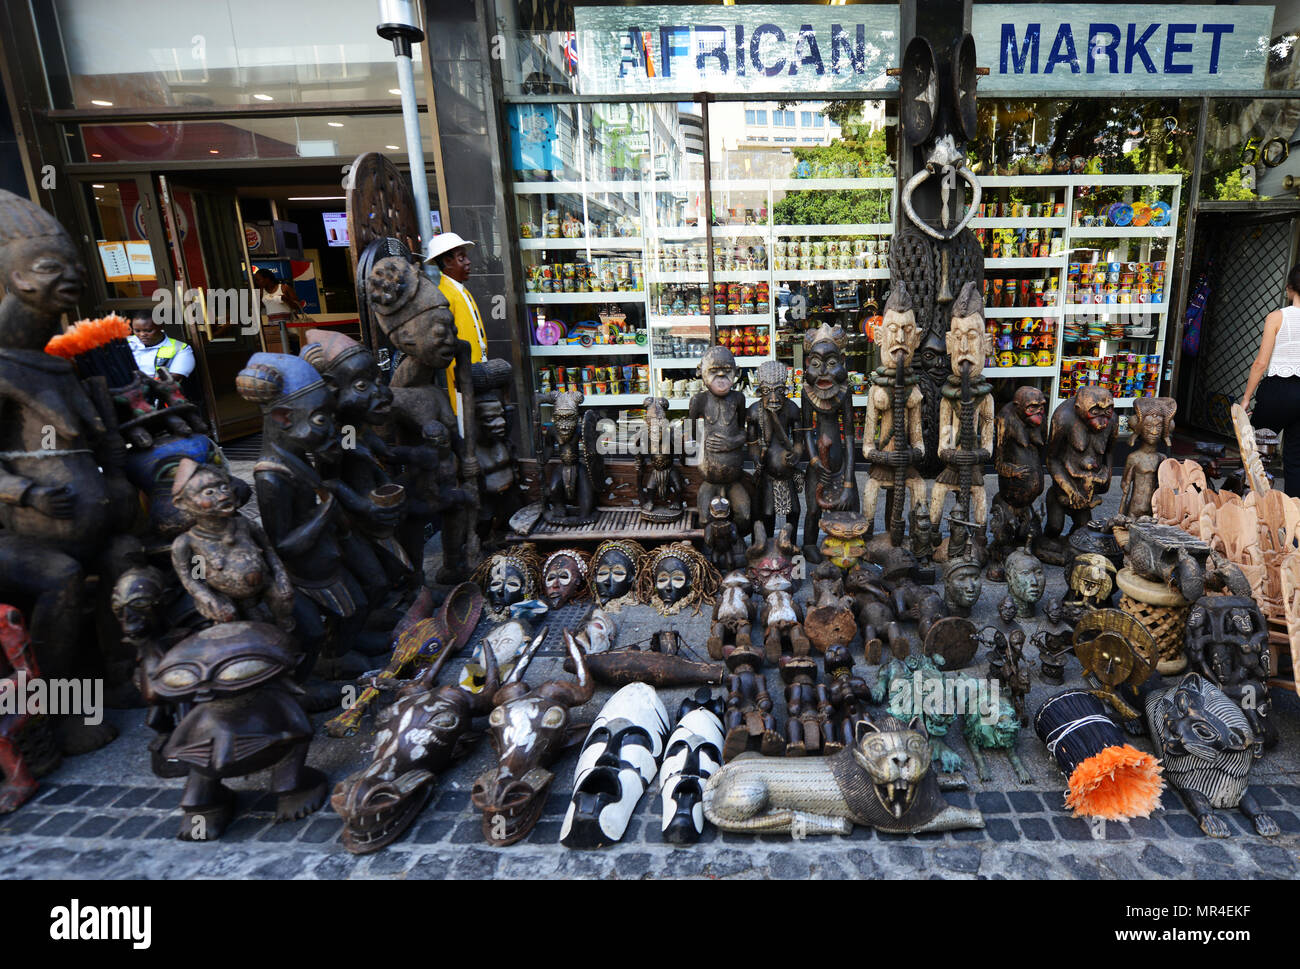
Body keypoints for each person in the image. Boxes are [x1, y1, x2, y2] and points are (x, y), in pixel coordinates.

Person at [1241, 263, 1300, 496]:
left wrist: (1246, 398)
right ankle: (1295, 522)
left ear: (1289, 288)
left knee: (1256, 452)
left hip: (1278, 390)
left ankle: (1252, 510)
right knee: (1295, 461)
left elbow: (1260, 364)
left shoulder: (1276, 317)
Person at [425, 232, 487, 411]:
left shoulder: (459, 290)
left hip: (476, 370)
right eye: (462, 258)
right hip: (463, 375)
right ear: (447, 262)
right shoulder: (445, 295)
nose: (468, 262)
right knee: (466, 419)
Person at [128, 313, 196, 378]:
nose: (142, 334)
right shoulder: (124, 343)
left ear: (161, 327)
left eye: (148, 331)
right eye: (137, 331)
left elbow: (172, 380)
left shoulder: (180, 348)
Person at [255, 267, 303, 350]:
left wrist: (286, 300)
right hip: (274, 329)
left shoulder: (284, 288)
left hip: (290, 328)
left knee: (294, 350)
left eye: (259, 280)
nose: (257, 282)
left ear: (267, 279)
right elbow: (262, 307)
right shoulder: (261, 292)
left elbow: (298, 306)